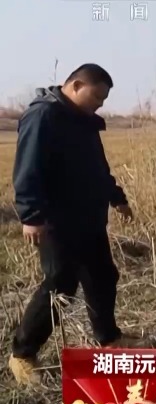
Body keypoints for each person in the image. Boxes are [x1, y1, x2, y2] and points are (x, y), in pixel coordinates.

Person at [9, 63, 136, 386]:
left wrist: (116, 196)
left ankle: (109, 339)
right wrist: (31, 216)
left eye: (103, 100)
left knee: (102, 276)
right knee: (60, 284)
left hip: (89, 218)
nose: (99, 105)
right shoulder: (43, 116)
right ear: (76, 85)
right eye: (96, 97)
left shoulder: (84, 121)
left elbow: (97, 167)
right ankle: (22, 353)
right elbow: (27, 168)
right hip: (57, 221)